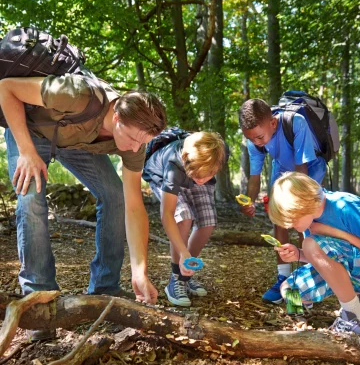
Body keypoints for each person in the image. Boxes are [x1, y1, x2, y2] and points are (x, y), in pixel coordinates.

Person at [0, 74, 167, 340]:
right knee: (31, 198)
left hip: (78, 143)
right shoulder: (75, 93)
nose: (136, 148)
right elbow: (7, 88)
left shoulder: (136, 139)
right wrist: (26, 151)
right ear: (116, 118)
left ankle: (105, 287)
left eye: (142, 142)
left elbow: (134, 206)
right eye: (133, 139)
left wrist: (139, 272)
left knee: (115, 195)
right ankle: (38, 299)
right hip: (32, 132)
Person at [238, 98, 326, 304]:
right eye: (252, 139)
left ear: (273, 123)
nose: (257, 143)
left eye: (259, 137)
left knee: (303, 221)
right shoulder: (254, 140)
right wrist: (249, 201)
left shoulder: (295, 123)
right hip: (282, 169)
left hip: (309, 169)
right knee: (279, 219)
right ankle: (284, 277)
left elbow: (302, 169)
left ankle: (305, 279)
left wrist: (297, 203)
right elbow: (254, 176)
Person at [269, 172, 360, 334]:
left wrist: (338, 233)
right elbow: (325, 259)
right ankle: (299, 319)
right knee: (288, 287)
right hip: (353, 268)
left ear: (304, 204)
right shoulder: (310, 220)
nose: (290, 226)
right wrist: (299, 255)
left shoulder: (344, 206)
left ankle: (356, 318)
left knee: (310, 244)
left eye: (292, 219)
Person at [142, 131, 227, 306]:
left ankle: (186, 273)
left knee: (208, 221)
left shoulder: (218, 154)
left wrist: (202, 176)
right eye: (199, 176)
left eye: (209, 174)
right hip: (164, 176)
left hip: (192, 170)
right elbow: (167, 214)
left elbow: (203, 176)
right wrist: (182, 252)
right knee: (184, 216)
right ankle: (176, 279)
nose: (202, 180)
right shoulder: (174, 167)